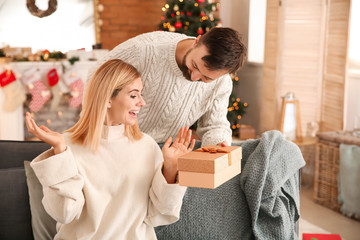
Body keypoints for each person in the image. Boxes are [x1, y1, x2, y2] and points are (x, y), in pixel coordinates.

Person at [26, 59, 195, 239]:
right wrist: (60, 151)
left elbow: (158, 213)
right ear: (107, 99)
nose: (142, 102)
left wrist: (170, 168)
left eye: (141, 94)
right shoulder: (66, 145)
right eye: (133, 95)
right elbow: (65, 213)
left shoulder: (146, 146)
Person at [88, 27, 247, 147]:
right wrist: (105, 134)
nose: (193, 78)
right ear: (197, 41)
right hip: (113, 142)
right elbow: (95, 77)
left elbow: (215, 125)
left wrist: (219, 146)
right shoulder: (145, 50)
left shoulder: (221, 82)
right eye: (195, 65)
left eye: (206, 78)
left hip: (163, 150)